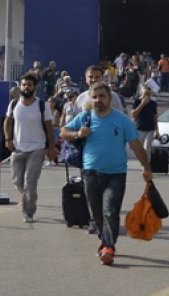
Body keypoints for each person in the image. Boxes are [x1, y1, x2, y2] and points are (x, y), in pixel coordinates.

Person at [61, 82, 153, 266]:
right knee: (96, 214)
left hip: (115, 174)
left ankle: (108, 246)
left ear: (109, 98)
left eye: (102, 96)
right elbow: (64, 131)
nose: (98, 100)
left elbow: (136, 145)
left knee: (110, 210)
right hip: (90, 173)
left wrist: (147, 168)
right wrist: (78, 133)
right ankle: (105, 241)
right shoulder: (85, 117)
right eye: (94, 97)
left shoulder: (122, 120)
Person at [4, 73, 57, 223]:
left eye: (30, 85)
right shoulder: (14, 104)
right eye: (24, 85)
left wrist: (51, 147)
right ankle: (29, 196)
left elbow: (48, 126)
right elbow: (7, 122)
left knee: (29, 181)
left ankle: (28, 212)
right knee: (17, 181)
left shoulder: (42, 105)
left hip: (37, 148)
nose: (26, 87)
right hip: (18, 148)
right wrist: (8, 139)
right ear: (20, 86)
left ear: (35, 87)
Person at [131, 86, 158, 153]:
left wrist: (157, 130)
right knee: (139, 149)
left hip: (150, 129)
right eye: (145, 94)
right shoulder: (137, 101)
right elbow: (133, 115)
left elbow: (155, 117)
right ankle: (142, 161)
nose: (147, 96)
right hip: (140, 128)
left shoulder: (153, 103)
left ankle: (146, 162)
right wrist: (142, 104)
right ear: (142, 94)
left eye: (149, 94)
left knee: (147, 147)